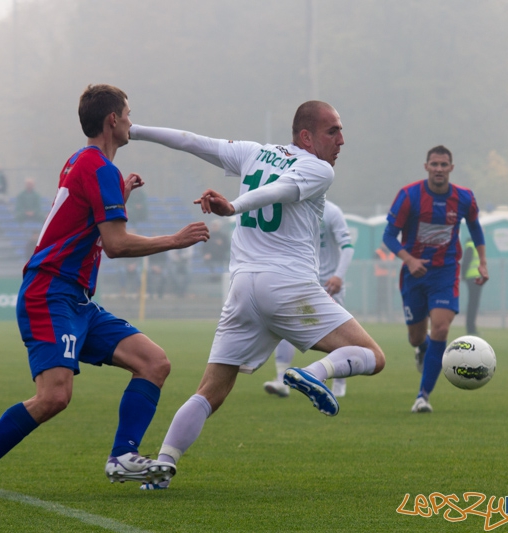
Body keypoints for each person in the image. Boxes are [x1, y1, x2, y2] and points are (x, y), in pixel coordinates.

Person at [0, 84, 209, 497]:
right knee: (53, 396)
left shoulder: (83, 163)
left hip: (75, 299)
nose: (130, 122)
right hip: (49, 292)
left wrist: (119, 195)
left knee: (154, 363)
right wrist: (176, 239)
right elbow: (116, 244)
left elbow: (84, 224)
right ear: (112, 121)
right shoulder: (100, 168)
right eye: (127, 114)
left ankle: (123, 455)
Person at [129, 100, 386, 490]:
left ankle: (164, 463)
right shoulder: (318, 169)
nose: (341, 140)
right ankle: (312, 374)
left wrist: (133, 131)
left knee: (211, 390)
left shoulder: (254, 152)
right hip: (287, 285)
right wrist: (233, 206)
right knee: (373, 356)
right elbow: (279, 191)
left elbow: (189, 141)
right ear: (306, 136)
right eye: (333, 131)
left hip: (243, 287)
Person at [383, 145, 488, 414]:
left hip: (445, 273)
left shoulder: (464, 198)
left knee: (440, 328)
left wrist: (483, 263)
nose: (439, 169)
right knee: (416, 336)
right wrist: (409, 260)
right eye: (435, 164)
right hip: (414, 274)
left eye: (444, 165)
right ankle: (423, 348)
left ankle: (423, 396)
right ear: (426, 166)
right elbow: (388, 237)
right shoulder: (409, 196)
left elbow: (475, 228)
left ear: (451, 168)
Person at [263, 199, 354, 398]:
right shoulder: (294, 209)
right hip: (302, 282)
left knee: (340, 334)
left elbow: (347, 247)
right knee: (286, 328)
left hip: (329, 285)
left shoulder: (332, 211)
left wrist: (338, 275)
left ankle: (339, 383)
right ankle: (281, 380)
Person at [461, 238, 482, 334]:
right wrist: (464, 275)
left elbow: (465, 262)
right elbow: (466, 262)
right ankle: (470, 328)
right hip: (474, 278)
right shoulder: (472, 247)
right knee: (473, 304)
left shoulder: (471, 247)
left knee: (473, 304)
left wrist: (464, 276)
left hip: (474, 278)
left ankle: (471, 327)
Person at [373, 241, 396, 321]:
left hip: (390, 279)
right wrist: (388, 266)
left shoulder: (393, 253)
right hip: (381, 278)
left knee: (389, 297)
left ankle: (388, 314)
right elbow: (379, 264)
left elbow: (395, 265)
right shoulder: (378, 252)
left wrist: (388, 266)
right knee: (381, 297)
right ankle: (379, 315)